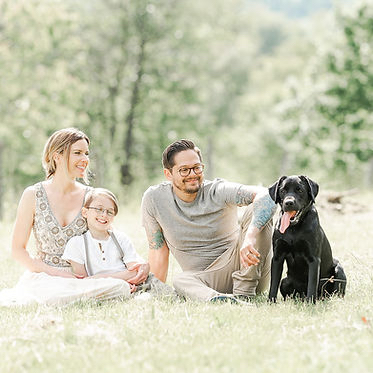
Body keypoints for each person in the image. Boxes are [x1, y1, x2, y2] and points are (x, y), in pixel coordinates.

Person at [0, 127, 149, 306]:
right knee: (46, 295)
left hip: (85, 278)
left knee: (119, 287)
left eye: (86, 153)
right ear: (57, 156)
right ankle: (54, 299)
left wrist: (140, 263)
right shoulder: (33, 195)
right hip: (45, 277)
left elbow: (112, 237)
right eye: (77, 153)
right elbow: (18, 251)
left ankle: (72, 298)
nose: (85, 159)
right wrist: (56, 273)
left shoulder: (91, 196)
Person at [141, 139, 277, 302]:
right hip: (202, 280)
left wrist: (250, 236)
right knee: (180, 280)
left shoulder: (218, 190)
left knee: (258, 208)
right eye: (184, 170)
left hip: (245, 267)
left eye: (197, 167)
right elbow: (158, 251)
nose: (192, 174)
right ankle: (219, 300)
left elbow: (267, 195)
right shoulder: (154, 199)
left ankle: (244, 293)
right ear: (168, 174)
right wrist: (156, 288)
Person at [62, 188, 148, 292]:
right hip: (101, 287)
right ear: (85, 212)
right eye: (99, 209)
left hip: (125, 284)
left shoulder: (121, 239)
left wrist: (97, 278)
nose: (104, 215)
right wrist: (120, 279)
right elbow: (84, 282)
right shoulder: (76, 244)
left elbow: (134, 272)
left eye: (110, 212)